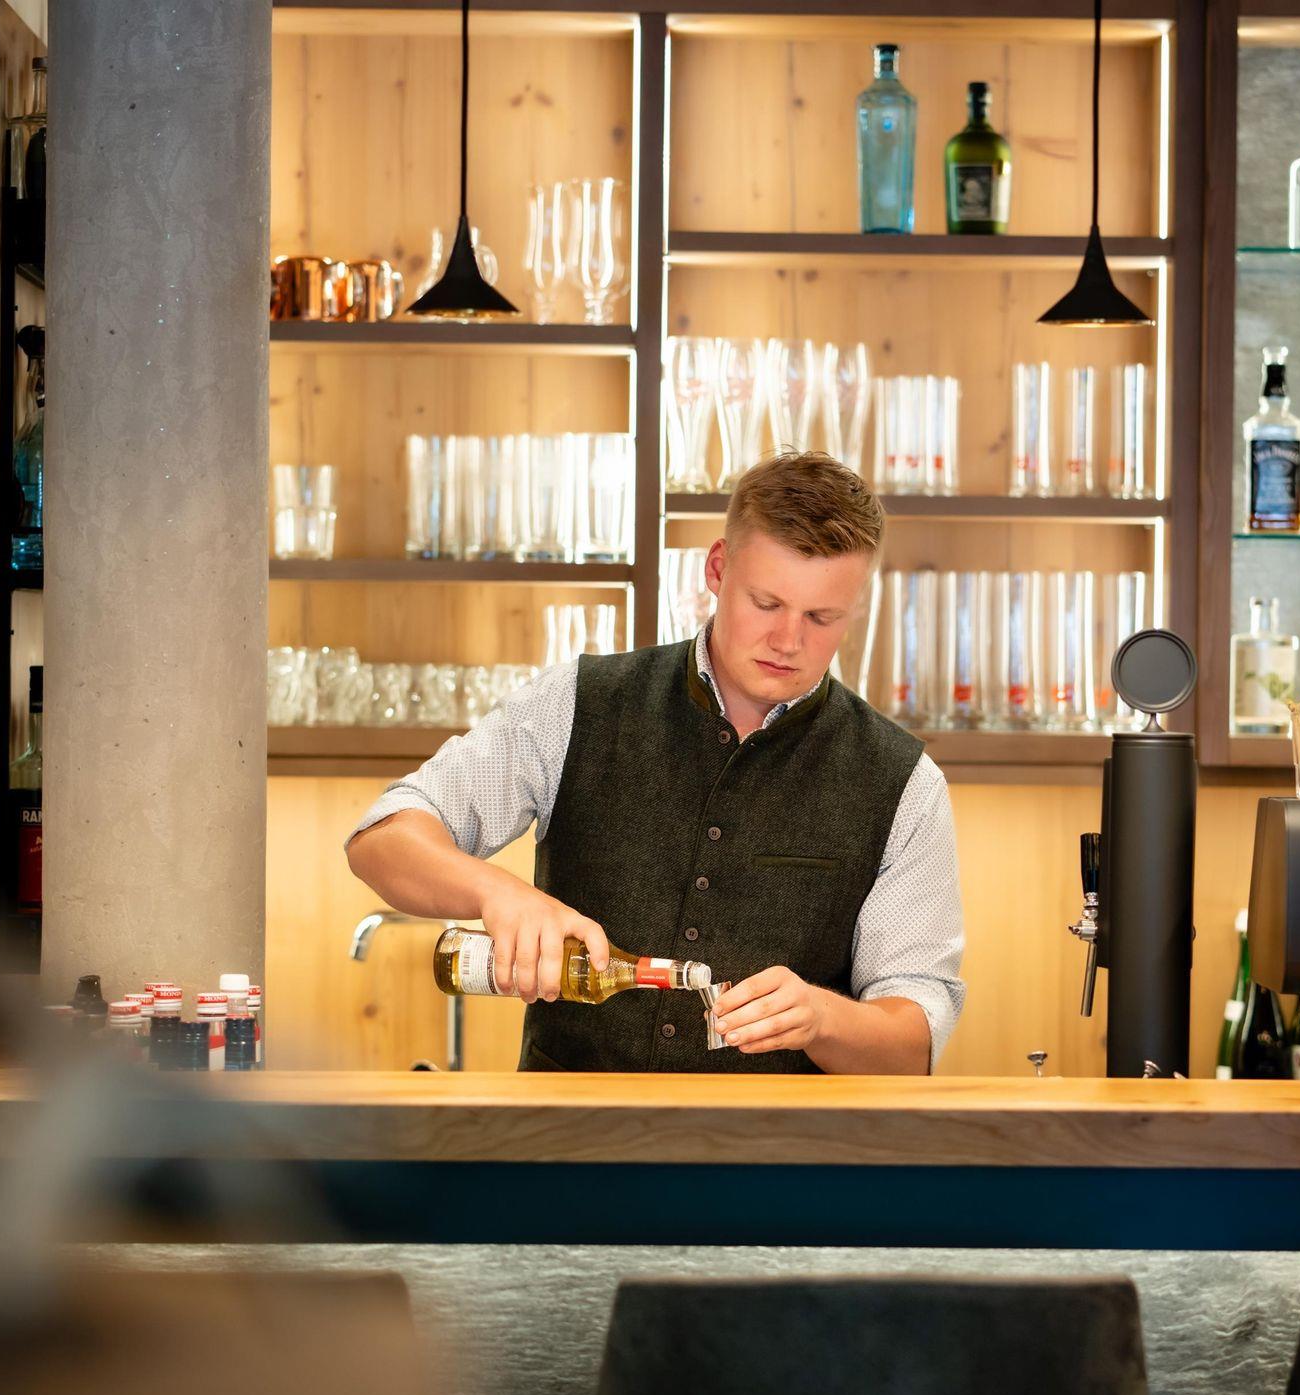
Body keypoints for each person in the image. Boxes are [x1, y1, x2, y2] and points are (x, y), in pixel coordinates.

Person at [346, 451, 964, 1074]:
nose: (788, 640)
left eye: (820, 617)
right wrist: (496, 891)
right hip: (570, 1132)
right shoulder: (576, 704)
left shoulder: (903, 781)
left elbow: (912, 1047)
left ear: (855, 606)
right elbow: (382, 840)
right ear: (718, 569)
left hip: (778, 1138)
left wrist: (825, 1018)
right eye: (766, 603)